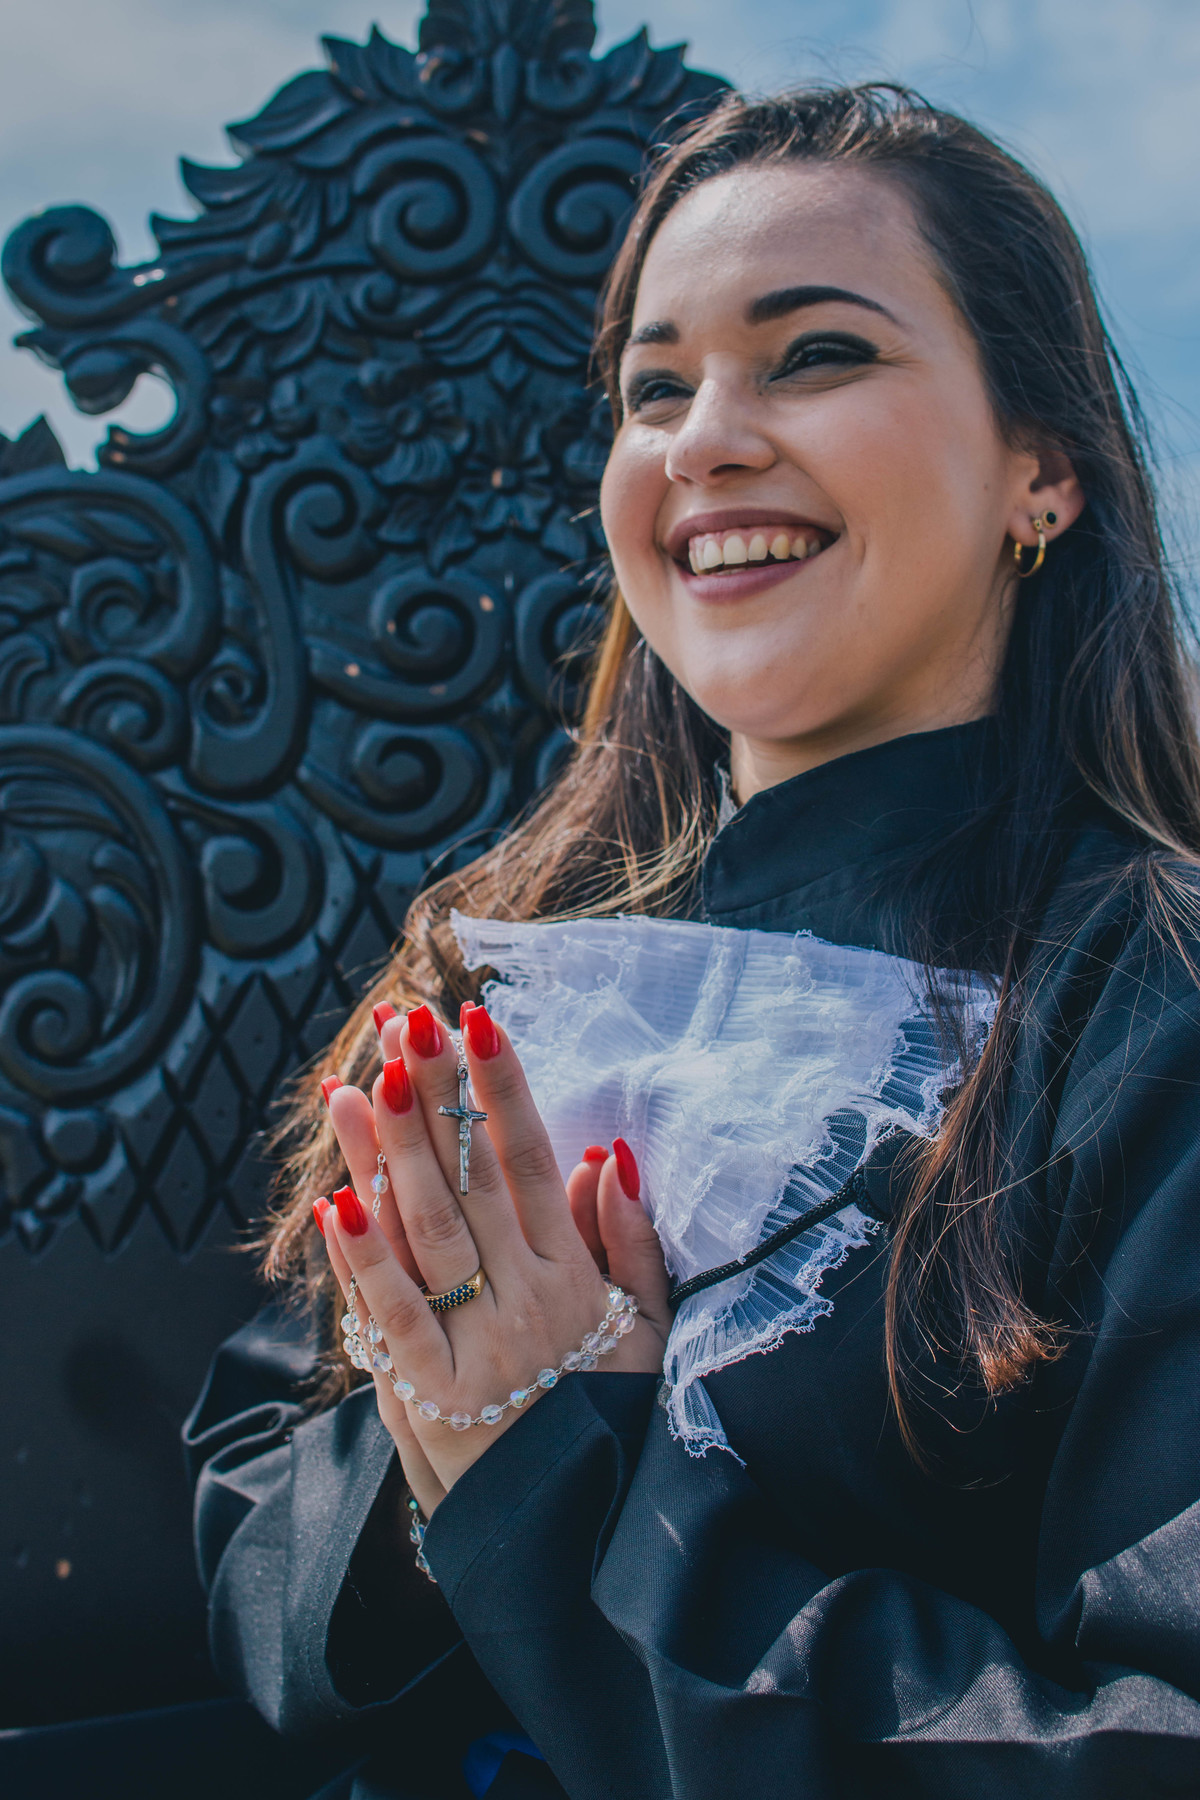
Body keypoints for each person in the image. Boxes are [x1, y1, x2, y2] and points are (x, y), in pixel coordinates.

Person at [185, 84, 1200, 1799]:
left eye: (814, 355)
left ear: (1044, 467)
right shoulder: (487, 971)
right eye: (655, 388)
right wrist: (439, 1411)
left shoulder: (1153, 1005)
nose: (704, 438)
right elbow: (254, 1522)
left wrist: (545, 1467)